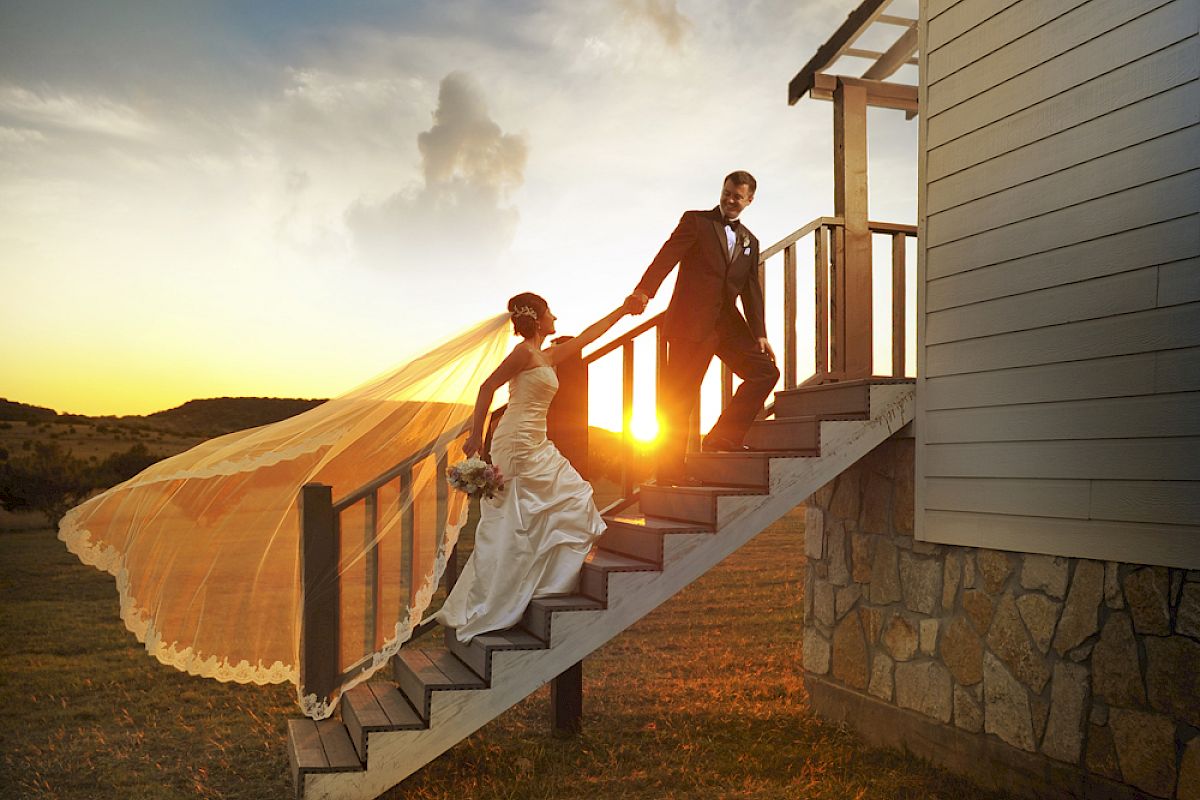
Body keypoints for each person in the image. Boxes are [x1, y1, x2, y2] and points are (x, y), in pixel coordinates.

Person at [433, 292, 642, 642]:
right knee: (519, 513)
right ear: (538, 318)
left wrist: (623, 309)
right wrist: (476, 437)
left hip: (535, 439)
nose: (556, 319)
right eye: (551, 314)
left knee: (567, 496)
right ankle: (503, 595)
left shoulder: (546, 356)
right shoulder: (523, 353)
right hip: (516, 441)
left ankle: (535, 584)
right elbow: (487, 387)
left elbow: (591, 335)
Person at [628, 171, 780, 486]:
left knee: (765, 372)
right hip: (690, 322)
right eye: (727, 192)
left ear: (749, 200)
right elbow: (667, 256)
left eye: (737, 196)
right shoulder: (696, 222)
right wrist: (644, 291)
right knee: (679, 398)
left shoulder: (751, 241)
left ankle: (723, 437)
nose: (730, 199)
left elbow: (752, 291)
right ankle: (670, 471)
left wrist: (760, 334)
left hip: (727, 325)